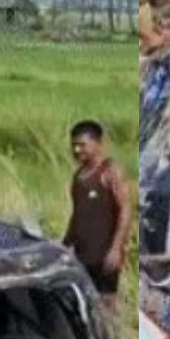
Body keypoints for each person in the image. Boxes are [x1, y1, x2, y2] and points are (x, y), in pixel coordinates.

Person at [62, 120, 131, 314]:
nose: (77, 150)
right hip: (82, 254)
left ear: (97, 143)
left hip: (105, 254)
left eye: (82, 145)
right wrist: (66, 244)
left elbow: (126, 209)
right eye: (74, 145)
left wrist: (116, 248)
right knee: (84, 305)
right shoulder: (78, 176)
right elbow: (77, 213)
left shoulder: (110, 171)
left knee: (107, 305)